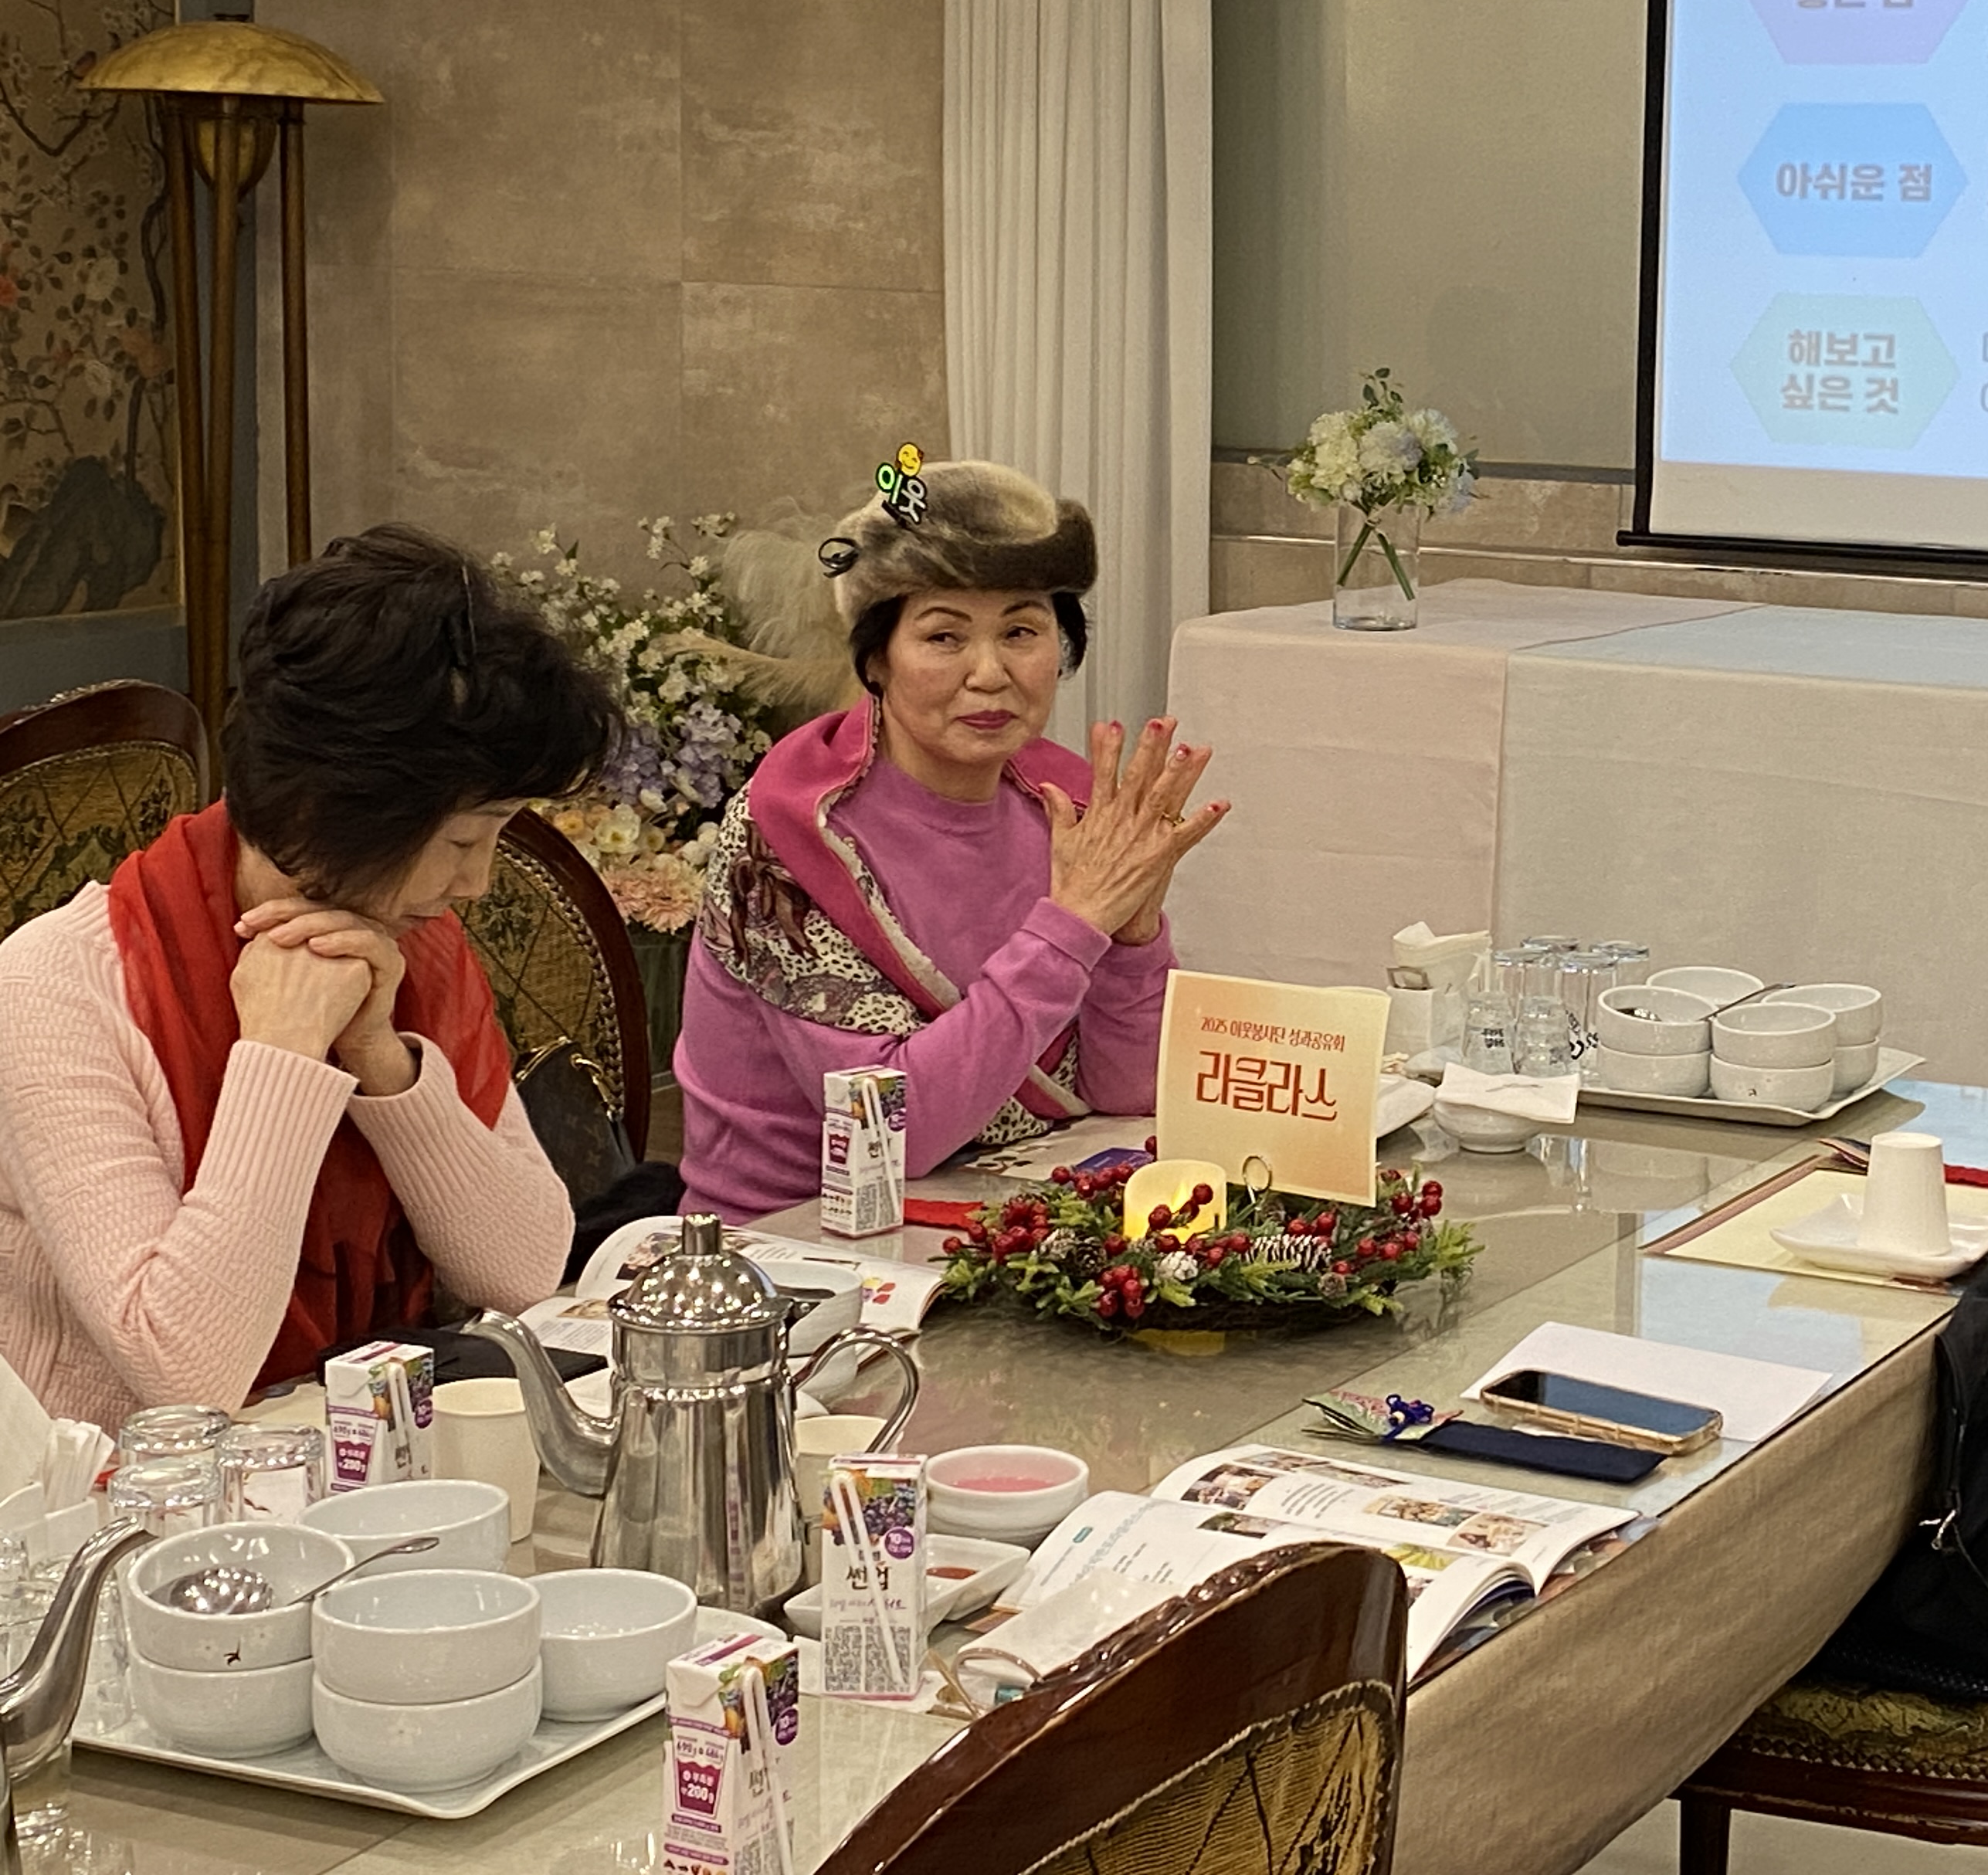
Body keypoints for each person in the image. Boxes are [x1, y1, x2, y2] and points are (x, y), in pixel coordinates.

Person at [0, 530, 612, 1428]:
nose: (477, 883)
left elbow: (522, 1270)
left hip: (359, 1453)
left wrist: (382, 1063)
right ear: (327, 809)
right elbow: (187, 1375)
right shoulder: (55, 989)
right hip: (117, 1490)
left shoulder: (410, 950)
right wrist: (283, 1053)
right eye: (460, 839)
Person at [676, 457, 1225, 1218]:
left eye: (1022, 631)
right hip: (799, 1239)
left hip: (1014, 1212)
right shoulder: (787, 836)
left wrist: (1132, 938)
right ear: (877, 657)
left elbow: (1128, 1093)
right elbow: (892, 1136)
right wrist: (1073, 925)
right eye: (944, 636)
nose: (990, 672)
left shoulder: (1067, 805)